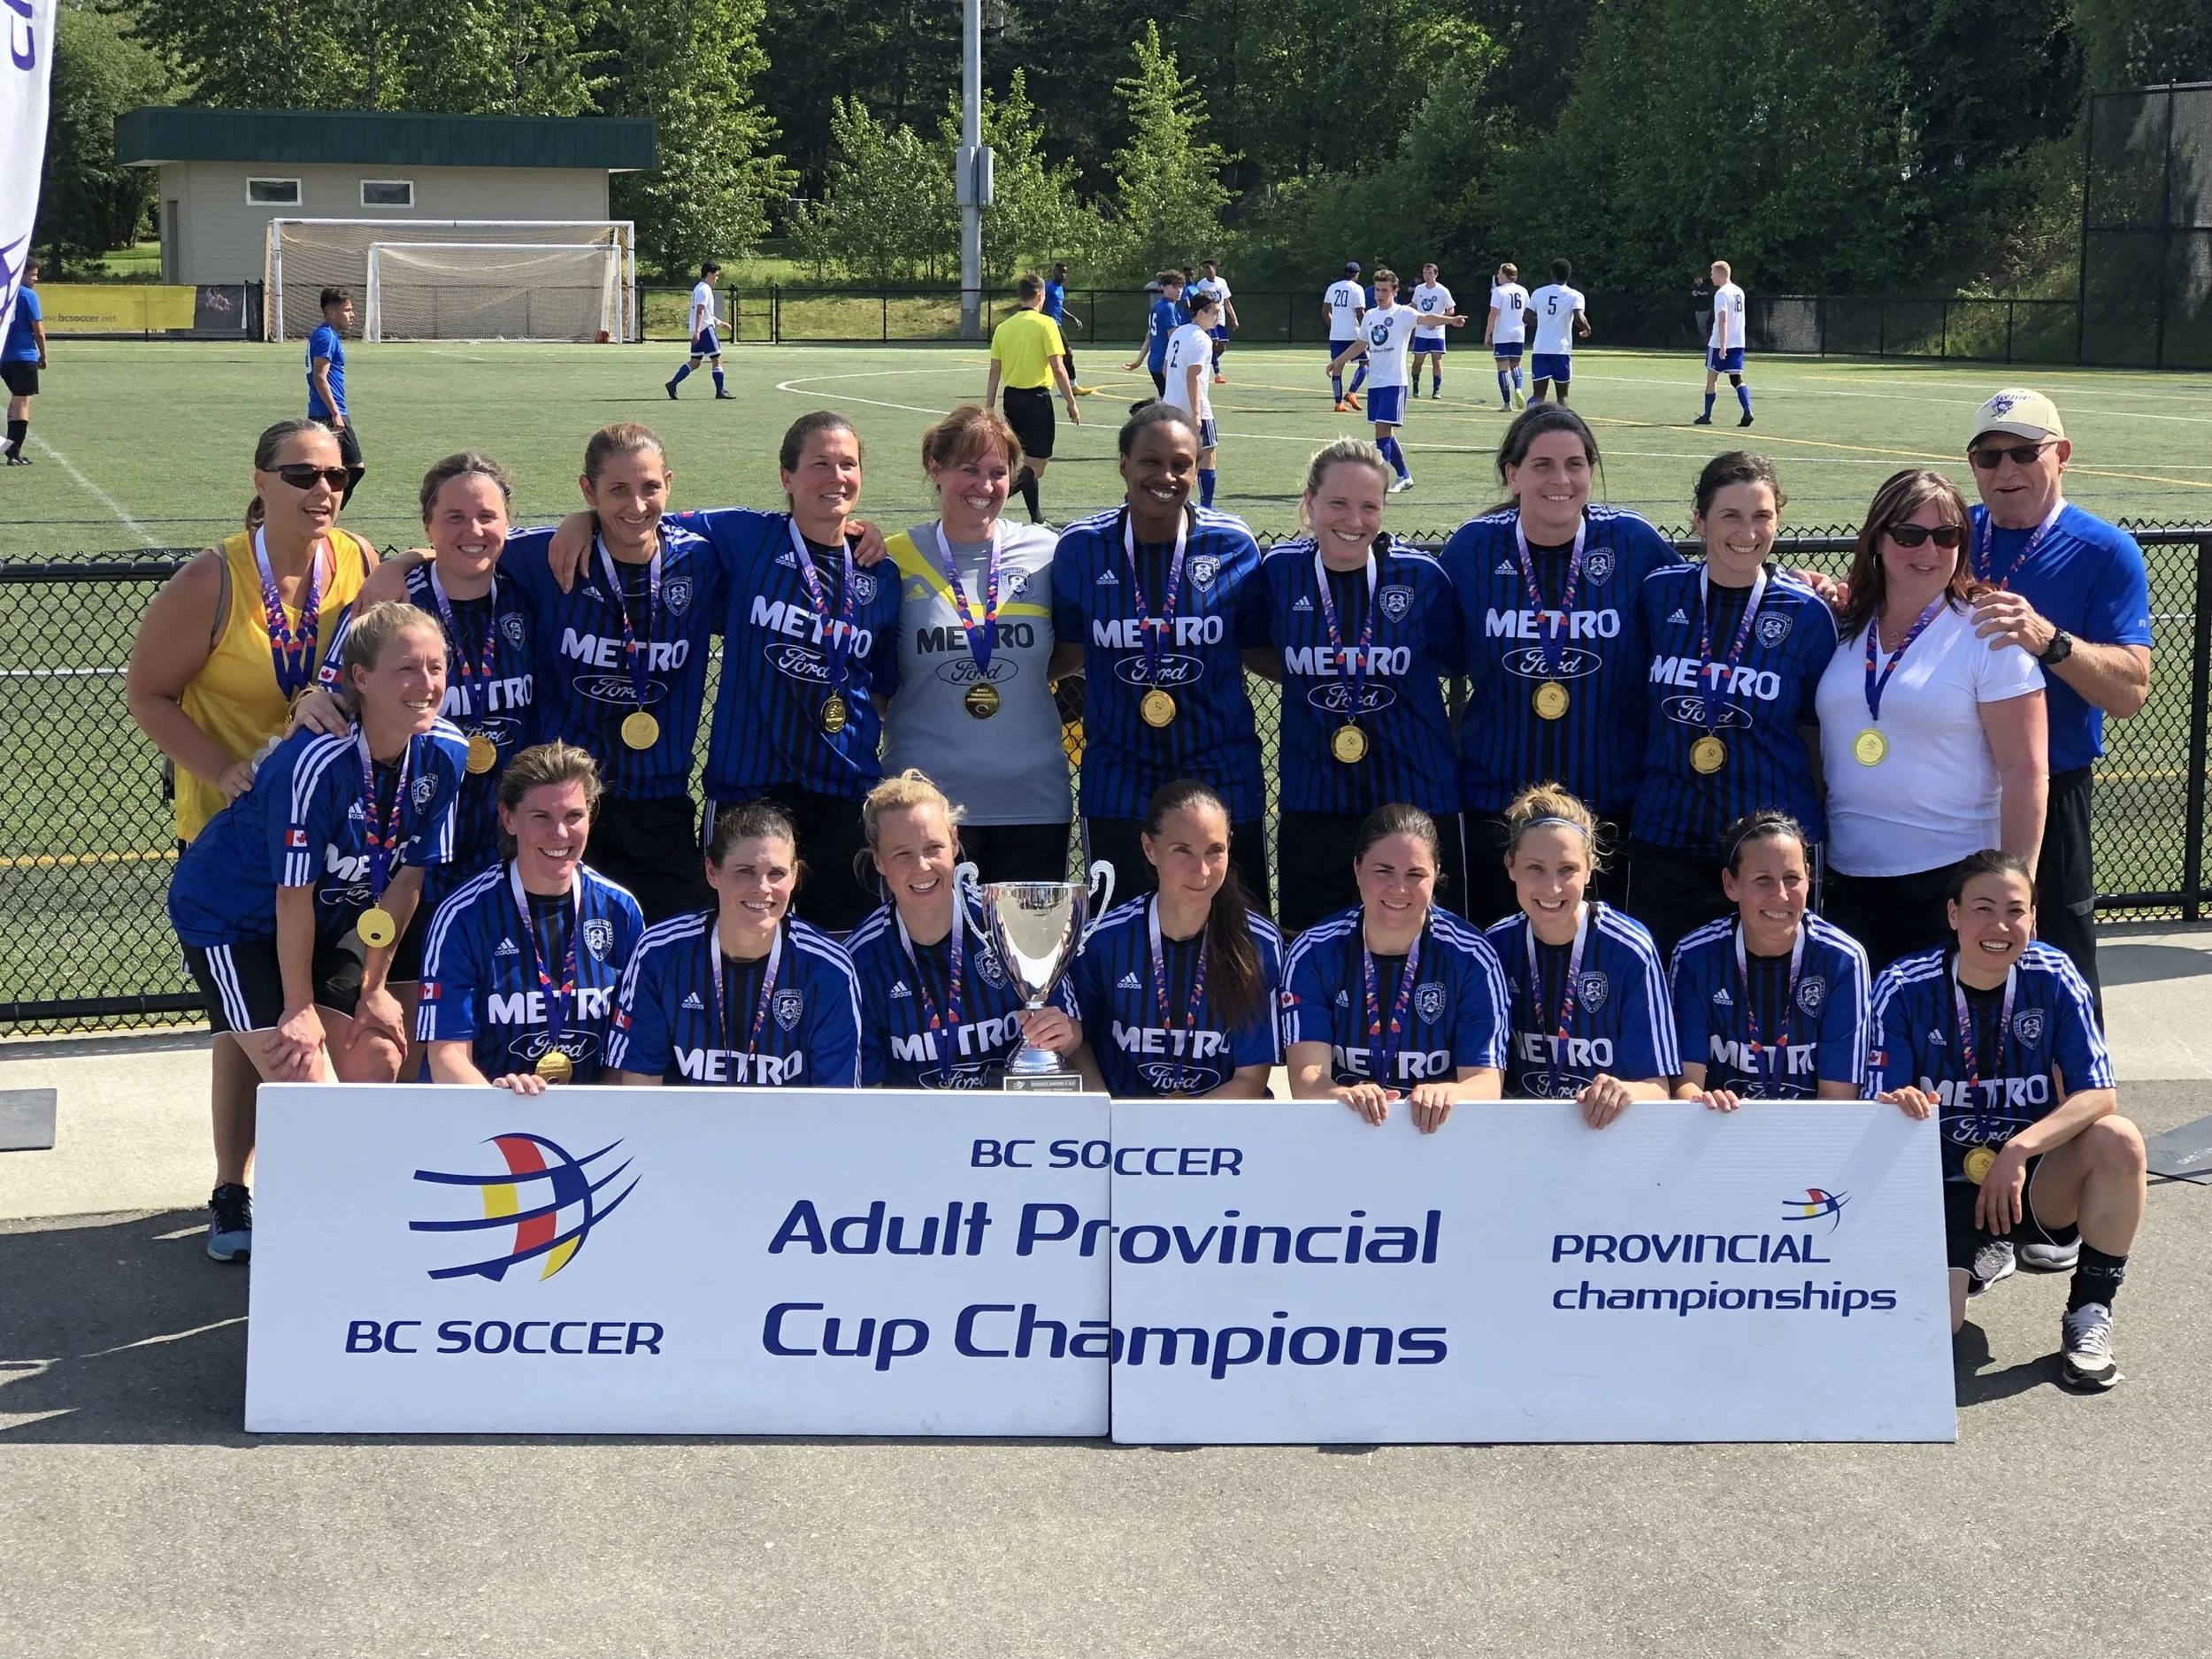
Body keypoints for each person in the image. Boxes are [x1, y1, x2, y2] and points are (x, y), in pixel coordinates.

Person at [165, 603, 466, 1258]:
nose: (426, 683)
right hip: (230, 919)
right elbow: (289, 895)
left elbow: (406, 882)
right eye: (406, 668)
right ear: (359, 677)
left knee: (376, 1054)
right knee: (308, 1085)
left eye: (436, 667)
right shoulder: (315, 760)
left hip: (325, 917)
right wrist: (299, 1007)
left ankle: (342, 1227)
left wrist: (375, 985)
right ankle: (317, 1251)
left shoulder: (447, 752)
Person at [292, 452, 539, 1072]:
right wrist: (313, 698)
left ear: (510, 523)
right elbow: (331, 695)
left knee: (487, 1031)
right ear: (427, 525)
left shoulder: (530, 596)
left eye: (487, 516)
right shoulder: (393, 607)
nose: (472, 531)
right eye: (453, 517)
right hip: (406, 863)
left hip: (502, 857)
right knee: (403, 1045)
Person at [1870, 849, 2144, 1388]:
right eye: (1983, 908)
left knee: (2120, 1140)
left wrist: (2018, 1149)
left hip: (2030, 1179)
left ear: (2034, 920)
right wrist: (1897, 1102)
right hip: (1941, 1182)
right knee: (1936, 1328)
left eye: (2015, 911)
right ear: (1953, 915)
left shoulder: (2055, 975)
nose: (1999, 926)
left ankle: (2089, 1312)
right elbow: (1877, 1102)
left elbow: (2098, 1094)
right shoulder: (1904, 986)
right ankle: (1974, 1255)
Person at [1440, 406, 1685, 925]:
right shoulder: (1474, 548)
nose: (1561, 479)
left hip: (1608, 806)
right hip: (1496, 803)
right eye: (1543, 465)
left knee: (1598, 966)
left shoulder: (1632, 543)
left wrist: (1791, 581)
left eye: (1575, 464)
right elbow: (1427, 637)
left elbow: (1703, 604)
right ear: (1513, 473)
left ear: (1591, 472)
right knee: (1502, 958)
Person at [1962, 389, 2154, 1014]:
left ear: (2062, 455)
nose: (2005, 471)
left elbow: (2130, 690)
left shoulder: (2104, 550)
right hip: (1953, 794)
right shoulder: (1950, 533)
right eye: (1988, 458)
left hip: (2051, 788)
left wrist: (2048, 639)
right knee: (1953, 968)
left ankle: (2079, 1101)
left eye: (2023, 452)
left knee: (2055, 968)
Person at [1815, 468, 2047, 975]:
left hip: (1950, 881)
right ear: (1878, 538)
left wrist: (2015, 894)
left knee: (1944, 1043)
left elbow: (2026, 771)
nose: (1929, 550)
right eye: (1910, 534)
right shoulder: (1842, 622)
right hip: (1848, 876)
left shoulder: (1990, 633)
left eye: (1947, 536)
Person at [1050, 404, 1273, 912]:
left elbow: (1259, 648)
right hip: (1119, 771)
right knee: (1118, 928)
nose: (1166, 476)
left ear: (1197, 469)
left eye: (1181, 464)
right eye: (1151, 461)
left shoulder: (1233, 544)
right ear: (1124, 463)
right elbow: (1066, 650)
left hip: (1220, 765)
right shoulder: (1082, 548)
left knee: (1236, 928)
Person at [502, 424, 727, 925]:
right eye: (617, 490)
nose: (637, 505)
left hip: (660, 803)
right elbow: (466, 550)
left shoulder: (700, 560)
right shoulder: (549, 557)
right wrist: (400, 563)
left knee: (672, 952)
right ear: (588, 490)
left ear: (668, 483)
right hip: (565, 802)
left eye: (649, 487)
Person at [1627, 452, 1838, 962]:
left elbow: (1817, 733)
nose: (1747, 532)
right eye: (1730, 516)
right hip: (1667, 838)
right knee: (1670, 993)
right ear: (1699, 520)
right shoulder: (1659, 595)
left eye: (1762, 516)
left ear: (1778, 520)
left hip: (1769, 850)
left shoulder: (1807, 613)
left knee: (1766, 995)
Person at [1263, 440, 1465, 933]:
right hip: (1315, 805)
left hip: (1416, 804)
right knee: (1311, 956)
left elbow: (1458, 659)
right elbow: (1252, 647)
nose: (1354, 520)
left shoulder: (1420, 578)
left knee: (1424, 955)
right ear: (1310, 503)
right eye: (1338, 503)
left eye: (1369, 506)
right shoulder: (1279, 573)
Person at [880, 406, 1071, 885]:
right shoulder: (890, 558)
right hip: (924, 811)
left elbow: (1071, 650)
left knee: (1025, 960)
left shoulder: (1048, 553)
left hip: (1033, 803)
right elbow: (879, 682)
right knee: (930, 958)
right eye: (969, 470)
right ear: (935, 467)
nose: (985, 486)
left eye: (997, 473)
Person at [418, 742, 644, 1090]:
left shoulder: (620, 910)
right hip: (485, 1115)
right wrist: (503, 1112)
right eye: (541, 817)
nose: (560, 834)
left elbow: (628, 1051)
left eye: (574, 816)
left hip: (588, 1120)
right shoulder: (463, 916)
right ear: (508, 818)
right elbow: (447, 1055)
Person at [846, 771, 1081, 1087]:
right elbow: (869, 1092)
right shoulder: (862, 957)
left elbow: (1076, 1041)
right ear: (878, 862)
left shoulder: (1008, 918)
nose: (922, 866)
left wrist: (1061, 1032)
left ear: (954, 842)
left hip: (1013, 1126)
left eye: (933, 847)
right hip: (917, 1130)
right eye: (902, 854)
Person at [1283, 803, 1509, 1132]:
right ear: (1357, 869)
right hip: (1346, 1131)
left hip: (1438, 1135)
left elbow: (1487, 1085)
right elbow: (1306, 1080)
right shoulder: (1314, 953)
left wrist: (1450, 1093)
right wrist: (1345, 1097)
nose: (1399, 889)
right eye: (1383, 871)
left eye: (1415, 874)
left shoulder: (1473, 957)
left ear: (1436, 873)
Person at [607, 799, 864, 1087]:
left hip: (790, 1131)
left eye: (776, 873)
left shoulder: (828, 968)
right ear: (712, 872)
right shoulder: (659, 953)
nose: (762, 887)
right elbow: (640, 1087)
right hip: (683, 1129)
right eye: (745, 871)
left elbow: (836, 1104)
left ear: (794, 877)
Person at [1070, 780, 1283, 1098]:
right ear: (1149, 849)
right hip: (1127, 1130)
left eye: (1215, 851)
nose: (1202, 871)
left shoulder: (1259, 942)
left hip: (1223, 1127)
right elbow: (1078, 1042)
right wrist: (1106, 1112)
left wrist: (1177, 1131)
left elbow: (1250, 1079)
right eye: (1183, 851)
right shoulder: (1103, 939)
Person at [1485, 786, 1677, 1121]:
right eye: (1535, 869)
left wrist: (1626, 1091)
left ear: (1590, 868)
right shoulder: (1494, 947)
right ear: (1510, 866)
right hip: (1518, 1137)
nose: (1552, 888)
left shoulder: (1629, 949)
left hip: (1604, 1137)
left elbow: (1660, 1089)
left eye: (1567, 869)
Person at [1670, 812, 1871, 1107]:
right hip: (1719, 1132)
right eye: (1763, 881)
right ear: (1731, 884)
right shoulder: (1694, 956)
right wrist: (1702, 1102)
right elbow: (1685, 1084)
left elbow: (1837, 1101)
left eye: (1792, 879)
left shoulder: (1843, 960)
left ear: (1808, 877)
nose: (1780, 895)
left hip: (1809, 1140)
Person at [985, 273, 1082, 525]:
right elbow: (1059, 368)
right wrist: (1071, 402)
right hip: (1037, 400)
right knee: (1036, 467)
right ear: (1041, 294)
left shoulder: (1003, 328)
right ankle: (990, 500)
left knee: (1024, 462)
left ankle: (1037, 519)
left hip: (1012, 400)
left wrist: (988, 406)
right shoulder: (1046, 324)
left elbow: (995, 371)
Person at [1325, 267, 1421, 492]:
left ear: (1395, 291)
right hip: (1376, 383)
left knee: (1381, 432)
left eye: (1385, 290)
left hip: (1395, 382)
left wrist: (1451, 319)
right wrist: (1338, 360)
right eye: (1378, 289)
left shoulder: (1403, 314)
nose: (1380, 294)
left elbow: (1426, 318)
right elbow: (1360, 345)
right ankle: (1405, 476)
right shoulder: (1370, 315)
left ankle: (1376, 482)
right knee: (1386, 432)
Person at [1163, 291, 1225, 508]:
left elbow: (1165, 369)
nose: (1218, 317)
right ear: (1200, 313)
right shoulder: (1202, 339)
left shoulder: (1179, 333)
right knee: (1208, 455)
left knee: (1175, 456)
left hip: (1170, 407)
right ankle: (1207, 507)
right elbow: (1193, 375)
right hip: (1195, 408)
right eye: (1215, 313)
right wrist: (1197, 413)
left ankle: (1175, 502)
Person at [305, 287, 362, 492]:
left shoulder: (327, 335)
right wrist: (335, 413)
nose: (352, 315)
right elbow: (320, 377)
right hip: (328, 412)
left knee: (329, 469)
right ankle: (327, 512)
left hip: (325, 411)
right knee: (354, 469)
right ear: (332, 313)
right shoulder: (327, 336)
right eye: (347, 310)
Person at [1696, 260, 1752, 427]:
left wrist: (1722, 345)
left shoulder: (1721, 293)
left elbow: (1723, 318)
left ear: (1720, 274)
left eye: (1712, 273)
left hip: (1721, 343)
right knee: (1736, 378)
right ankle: (1748, 411)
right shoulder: (1739, 291)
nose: (1711, 276)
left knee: (1712, 377)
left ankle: (1707, 415)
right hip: (1738, 342)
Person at [1527, 259, 1590, 406]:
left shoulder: (1539, 293)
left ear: (1552, 274)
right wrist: (1587, 328)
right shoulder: (1575, 295)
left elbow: (1526, 318)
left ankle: (1530, 421)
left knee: (1538, 395)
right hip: (1561, 350)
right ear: (1568, 275)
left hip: (1541, 349)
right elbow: (1579, 318)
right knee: (1563, 396)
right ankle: (1561, 423)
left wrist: (1543, 323)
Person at [1, 257, 45, 464]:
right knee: (22, 402)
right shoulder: (28, 295)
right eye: (33, 274)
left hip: (4, 358)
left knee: (15, 399)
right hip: (23, 356)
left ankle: (10, 447)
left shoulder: (4, 295)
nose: (36, 279)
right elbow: (38, 330)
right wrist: (43, 355)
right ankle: (13, 453)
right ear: (22, 273)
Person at [666, 260, 731, 400]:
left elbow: (706, 313)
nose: (717, 278)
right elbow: (700, 312)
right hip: (705, 330)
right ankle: (720, 391)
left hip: (699, 329)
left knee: (695, 362)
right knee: (717, 359)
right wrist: (698, 331)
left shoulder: (699, 288)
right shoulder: (704, 289)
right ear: (709, 274)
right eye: (716, 275)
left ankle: (673, 384)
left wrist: (720, 323)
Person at [1124, 269, 1187, 403]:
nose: (1179, 290)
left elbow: (1149, 336)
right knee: (1173, 403)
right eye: (1174, 286)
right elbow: (1173, 338)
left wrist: (1138, 361)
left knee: (1166, 399)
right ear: (1163, 287)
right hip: (1165, 363)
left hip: (1154, 362)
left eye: (1181, 287)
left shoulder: (1157, 306)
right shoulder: (1168, 308)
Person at [1408, 263, 1464, 399]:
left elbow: (1451, 309)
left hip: (1437, 332)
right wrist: (1400, 310)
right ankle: (1416, 385)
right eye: (1425, 273)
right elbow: (1414, 305)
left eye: (1430, 273)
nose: (1427, 276)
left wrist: (1440, 320)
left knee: (1436, 360)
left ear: (1436, 275)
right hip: (1421, 331)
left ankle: (1436, 390)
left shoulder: (1442, 291)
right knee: (1418, 361)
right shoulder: (1419, 289)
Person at [1042, 261, 1096, 394]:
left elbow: (1059, 309)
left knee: (1057, 357)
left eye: (1065, 272)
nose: (1063, 275)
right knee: (1068, 354)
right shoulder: (1049, 287)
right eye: (1061, 272)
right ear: (1054, 272)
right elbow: (1041, 304)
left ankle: (1067, 386)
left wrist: (1073, 318)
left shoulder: (1060, 289)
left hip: (1057, 324)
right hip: (1052, 325)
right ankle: (1072, 386)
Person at [1485, 262, 1531, 411]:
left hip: (1502, 333)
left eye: (1499, 272)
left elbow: (1493, 313)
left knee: (1502, 368)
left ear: (1505, 274)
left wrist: (1488, 333)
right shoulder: (1523, 291)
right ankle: (1518, 388)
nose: (1497, 275)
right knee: (1516, 364)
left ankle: (1507, 403)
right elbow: (1527, 313)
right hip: (1518, 332)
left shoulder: (1499, 291)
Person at [1325, 262, 1368, 411]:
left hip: (1336, 335)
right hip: (1353, 333)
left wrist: (1334, 326)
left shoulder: (1332, 287)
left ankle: (1338, 403)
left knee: (1337, 366)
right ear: (1357, 274)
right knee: (1366, 363)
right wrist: (1366, 331)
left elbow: (1325, 312)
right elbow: (1360, 313)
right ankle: (1352, 392)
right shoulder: (1357, 289)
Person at [1188, 258, 1238, 381]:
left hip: (1220, 319)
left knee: (1221, 347)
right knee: (1213, 342)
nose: (1206, 271)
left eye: (1208, 268)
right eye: (1204, 269)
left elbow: (1226, 302)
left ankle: (1206, 360)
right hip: (1209, 319)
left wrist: (1234, 318)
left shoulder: (1222, 282)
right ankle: (1217, 374)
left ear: (1214, 268)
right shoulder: (1201, 285)